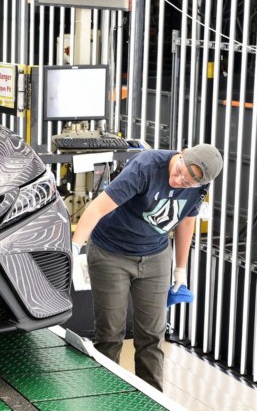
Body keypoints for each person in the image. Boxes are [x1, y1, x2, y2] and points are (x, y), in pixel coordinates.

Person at [71, 143, 223, 391]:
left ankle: (152, 398)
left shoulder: (200, 186)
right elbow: (97, 207)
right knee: (110, 334)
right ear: (182, 154)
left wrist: (181, 269)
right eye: (180, 172)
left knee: (152, 336)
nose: (179, 181)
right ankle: (105, 395)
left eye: (188, 182)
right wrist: (75, 247)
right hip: (112, 252)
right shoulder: (146, 166)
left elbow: (186, 221)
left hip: (155, 254)